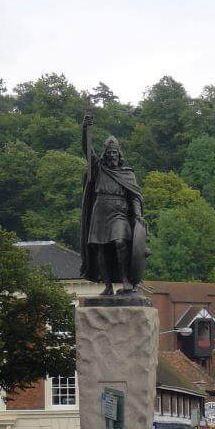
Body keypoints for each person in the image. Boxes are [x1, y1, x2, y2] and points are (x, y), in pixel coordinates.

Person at [80, 114, 146, 295]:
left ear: (119, 154)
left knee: (119, 242)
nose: (112, 155)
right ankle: (108, 285)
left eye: (115, 153)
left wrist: (138, 214)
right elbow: (86, 149)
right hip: (100, 211)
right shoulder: (98, 167)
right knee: (101, 248)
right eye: (109, 153)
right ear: (105, 154)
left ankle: (126, 280)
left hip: (120, 213)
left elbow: (134, 196)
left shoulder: (128, 174)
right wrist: (85, 128)